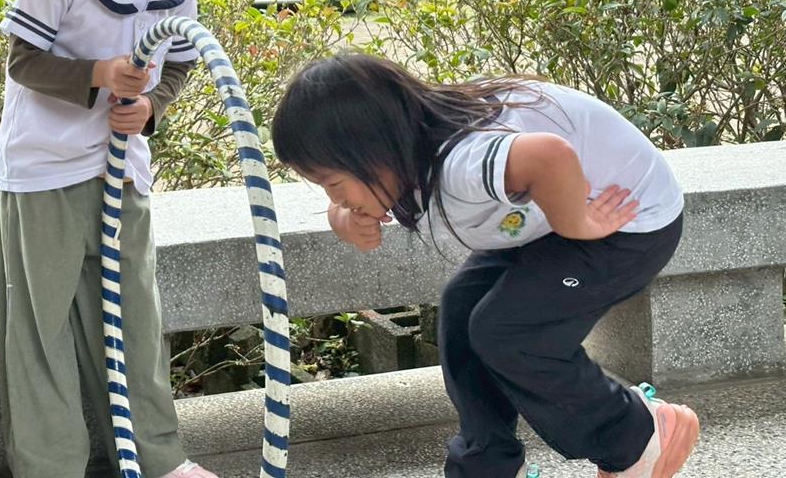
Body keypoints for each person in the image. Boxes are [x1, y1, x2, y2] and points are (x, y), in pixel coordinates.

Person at [270, 53, 700, 478]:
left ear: (374, 149)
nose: (335, 198)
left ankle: (635, 433)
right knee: (461, 311)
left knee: (509, 331)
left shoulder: (460, 163)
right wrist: (342, 217)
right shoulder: (406, 151)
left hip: (625, 223)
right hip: (543, 220)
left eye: (333, 184)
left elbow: (548, 155)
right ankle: (488, 464)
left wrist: (579, 223)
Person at [0, 0, 218, 478]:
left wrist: (150, 107)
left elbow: (179, 62)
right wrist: (99, 74)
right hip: (46, 171)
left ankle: (159, 457)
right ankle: (51, 466)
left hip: (123, 170)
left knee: (136, 319)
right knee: (43, 327)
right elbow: (23, 61)